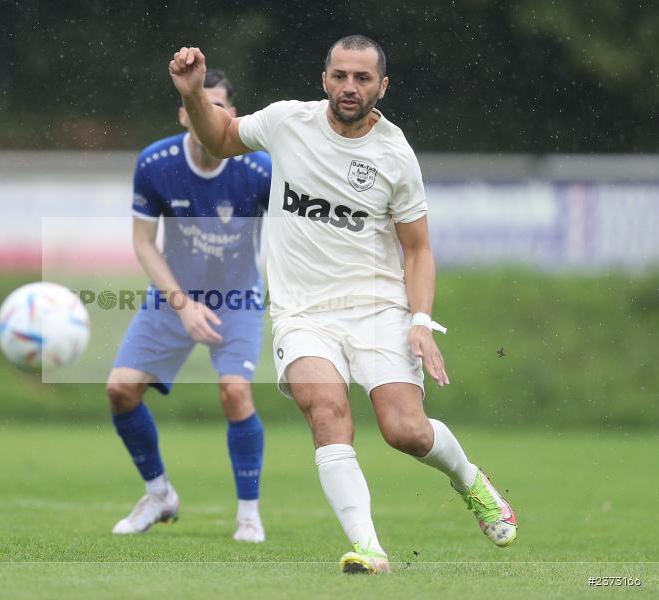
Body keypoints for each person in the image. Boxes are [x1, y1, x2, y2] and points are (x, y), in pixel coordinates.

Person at [168, 35, 517, 573]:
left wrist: (420, 321)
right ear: (324, 78)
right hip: (302, 313)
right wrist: (195, 96)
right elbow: (221, 139)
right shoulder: (288, 121)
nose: (348, 87)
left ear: (382, 85)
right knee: (326, 412)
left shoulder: (395, 155)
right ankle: (369, 548)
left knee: (404, 429)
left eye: (361, 78)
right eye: (339, 75)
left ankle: (468, 478)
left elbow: (418, 249)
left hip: (377, 307)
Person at [106, 69, 272, 543]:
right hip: (172, 297)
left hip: (237, 298)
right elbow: (143, 243)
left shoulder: (259, 169)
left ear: (232, 117)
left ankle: (248, 516)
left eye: (217, 107)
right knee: (120, 390)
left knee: (235, 392)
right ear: (184, 113)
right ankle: (159, 495)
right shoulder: (156, 163)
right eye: (197, 105)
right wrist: (182, 305)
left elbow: (294, 235)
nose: (206, 115)